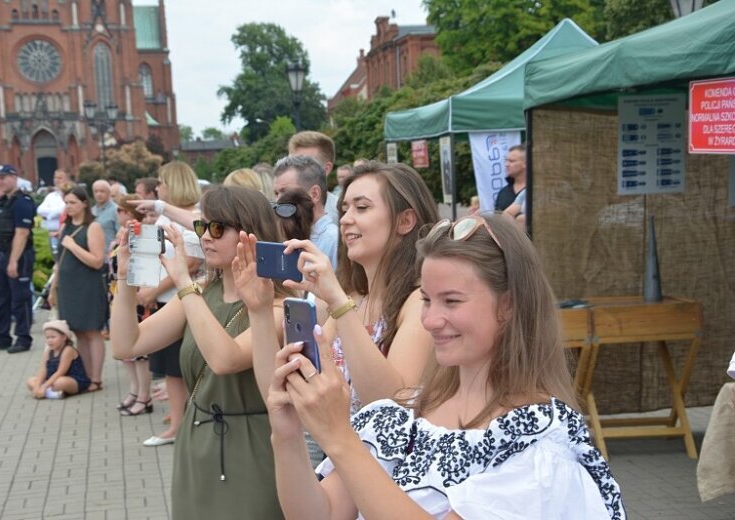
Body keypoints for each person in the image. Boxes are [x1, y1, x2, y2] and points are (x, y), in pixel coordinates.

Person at [266, 213, 625, 519]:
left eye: (451, 301)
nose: (431, 320)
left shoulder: (538, 440)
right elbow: (321, 513)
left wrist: (338, 436)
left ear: (510, 305)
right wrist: (286, 434)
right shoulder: (402, 414)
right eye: (426, 300)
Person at [242, 161, 438, 466]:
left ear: (405, 220)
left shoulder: (422, 300)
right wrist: (259, 310)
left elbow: (391, 406)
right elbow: (282, 391)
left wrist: (336, 300)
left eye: (361, 208)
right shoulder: (350, 298)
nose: (346, 220)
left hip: (394, 476)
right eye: (344, 209)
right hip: (340, 469)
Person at [110, 185, 290, 519]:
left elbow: (225, 360)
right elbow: (126, 345)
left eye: (217, 228)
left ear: (250, 233)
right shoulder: (204, 292)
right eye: (201, 226)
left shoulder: (278, 305)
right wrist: (124, 278)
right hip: (197, 437)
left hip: (252, 444)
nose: (206, 236)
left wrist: (182, 281)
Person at [139, 161, 204, 447]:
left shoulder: (191, 216)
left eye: (163, 183)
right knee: (171, 368)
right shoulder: (168, 217)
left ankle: (183, 423)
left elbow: (191, 261)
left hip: (177, 298)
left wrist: (154, 290)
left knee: (180, 367)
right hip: (165, 297)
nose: (159, 188)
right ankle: (179, 421)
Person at [53, 186, 107, 391]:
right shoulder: (65, 227)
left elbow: (97, 261)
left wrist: (74, 246)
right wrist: (54, 286)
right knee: (78, 332)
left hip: (87, 286)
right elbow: (60, 260)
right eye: (66, 203)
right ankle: (85, 375)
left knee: (92, 331)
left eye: (73, 202)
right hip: (68, 287)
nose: (69, 206)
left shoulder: (92, 227)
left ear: (85, 203)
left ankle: (96, 378)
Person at [0, 164, 36, 354]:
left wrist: (13, 261)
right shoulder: (4, 201)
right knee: (0, 298)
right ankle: (2, 337)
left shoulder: (22, 202)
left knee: (20, 298)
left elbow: (21, 233)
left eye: (3, 177)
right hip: (2, 255)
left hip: (18, 256)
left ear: (14, 177)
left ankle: (23, 337)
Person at [112, 195, 153, 417]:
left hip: (135, 295)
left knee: (139, 353)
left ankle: (144, 396)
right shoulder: (120, 234)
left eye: (120, 210)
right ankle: (134, 390)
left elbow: (145, 264)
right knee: (126, 354)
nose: (117, 213)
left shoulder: (140, 232)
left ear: (130, 212)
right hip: (118, 292)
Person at [273, 155, 339, 267]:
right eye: (276, 193)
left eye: (285, 192)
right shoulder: (289, 236)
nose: (278, 201)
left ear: (314, 194)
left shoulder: (334, 241)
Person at [26, 320, 90, 399]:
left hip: (72, 380)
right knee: (30, 381)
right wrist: (37, 386)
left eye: (53, 337)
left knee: (59, 383)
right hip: (52, 379)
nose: (50, 340)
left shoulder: (68, 350)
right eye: (47, 337)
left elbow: (61, 372)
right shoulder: (48, 350)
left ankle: (46, 391)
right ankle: (51, 394)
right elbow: (43, 369)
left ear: (64, 337)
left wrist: (44, 386)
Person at [288, 131, 338, 216]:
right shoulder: (279, 211)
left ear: (326, 169)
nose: (293, 172)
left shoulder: (340, 212)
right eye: (289, 164)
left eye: (302, 165)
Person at [36, 169, 70, 258]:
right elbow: (40, 210)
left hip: (62, 233)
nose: (57, 180)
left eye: (60, 178)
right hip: (49, 233)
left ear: (66, 180)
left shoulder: (68, 195)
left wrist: (49, 214)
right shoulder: (51, 196)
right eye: (55, 177)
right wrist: (53, 213)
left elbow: (62, 210)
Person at [494, 143, 527, 211]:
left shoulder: (536, 190)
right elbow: (497, 219)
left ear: (525, 163)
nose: (506, 164)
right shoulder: (503, 192)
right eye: (506, 161)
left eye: (512, 161)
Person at [91, 179, 119, 258]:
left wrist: (113, 256)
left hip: (109, 257)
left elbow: (120, 236)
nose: (98, 194)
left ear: (109, 193)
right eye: (96, 191)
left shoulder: (116, 210)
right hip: (93, 256)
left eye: (102, 191)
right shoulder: (91, 211)